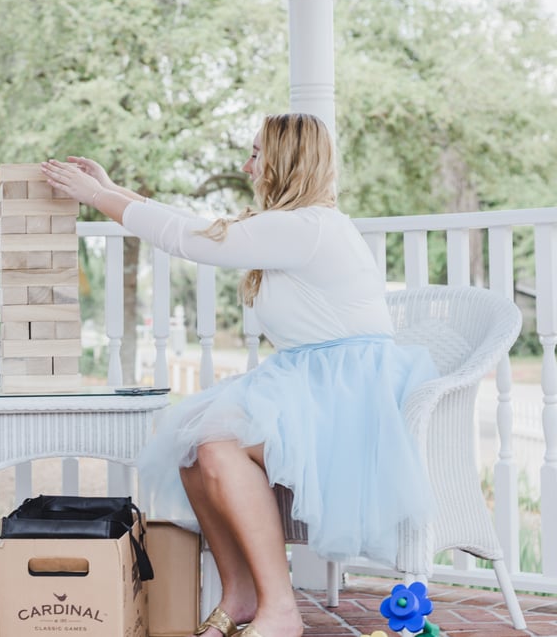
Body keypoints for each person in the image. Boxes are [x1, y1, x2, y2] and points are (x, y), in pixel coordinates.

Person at [41, 113, 438, 637]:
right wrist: (114, 189)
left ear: (284, 160)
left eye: (256, 153)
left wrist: (100, 197)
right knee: (193, 448)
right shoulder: (292, 226)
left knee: (218, 444)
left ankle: (282, 610)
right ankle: (242, 594)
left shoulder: (306, 227)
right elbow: (192, 228)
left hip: (346, 397)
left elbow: (191, 239)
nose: (247, 165)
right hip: (308, 380)